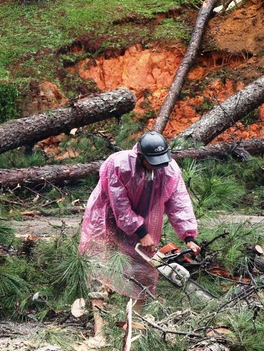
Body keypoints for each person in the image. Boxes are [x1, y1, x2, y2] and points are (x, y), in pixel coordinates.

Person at [79, 131, 201, 336]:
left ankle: (134, 327)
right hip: (107, 220)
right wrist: (141, 231)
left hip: (145, 219)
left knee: (142, 270)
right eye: (152, 162)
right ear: (141, 156)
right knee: (101, 266)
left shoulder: (169, 169)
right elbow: (119, 205)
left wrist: (188, 236)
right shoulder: (119, 165)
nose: (157, 166)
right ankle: (100, 331)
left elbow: (178, 202)